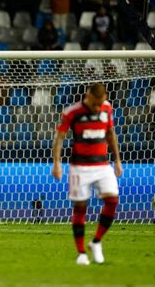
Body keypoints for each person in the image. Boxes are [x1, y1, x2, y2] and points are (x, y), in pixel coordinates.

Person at [51, 83, 122, 265]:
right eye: (95, 104)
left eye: (101, 103)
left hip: (103, 165)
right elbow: (59, 137)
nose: (98, 107)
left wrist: (117, 160)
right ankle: (81, 252)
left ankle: (96, 241)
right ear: (87, 97)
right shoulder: (72, 112)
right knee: (80, 208)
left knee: (112, 200)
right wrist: (57, 163)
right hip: (80, 167)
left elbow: (110, 133)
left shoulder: (107, 108)